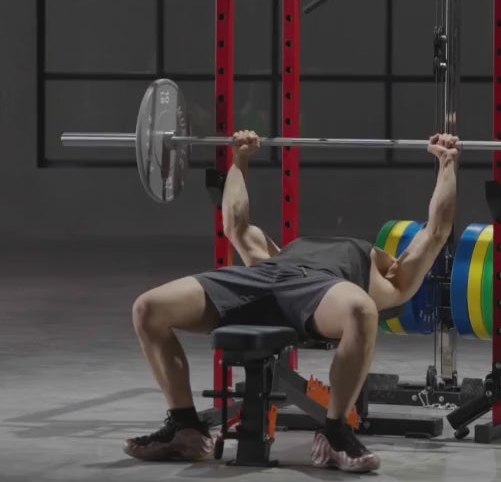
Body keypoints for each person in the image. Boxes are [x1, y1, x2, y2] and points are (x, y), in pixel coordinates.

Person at [124, 130, 459, 473]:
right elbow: (236, 226)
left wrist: (447, 162)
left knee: (362, 310)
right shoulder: (275, 253)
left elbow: (435, 232)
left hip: (319, 289)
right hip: (264, 276)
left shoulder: (392, 281)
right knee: (148, 307)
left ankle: (335, 433)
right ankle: (185, 428)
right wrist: (240, 158)